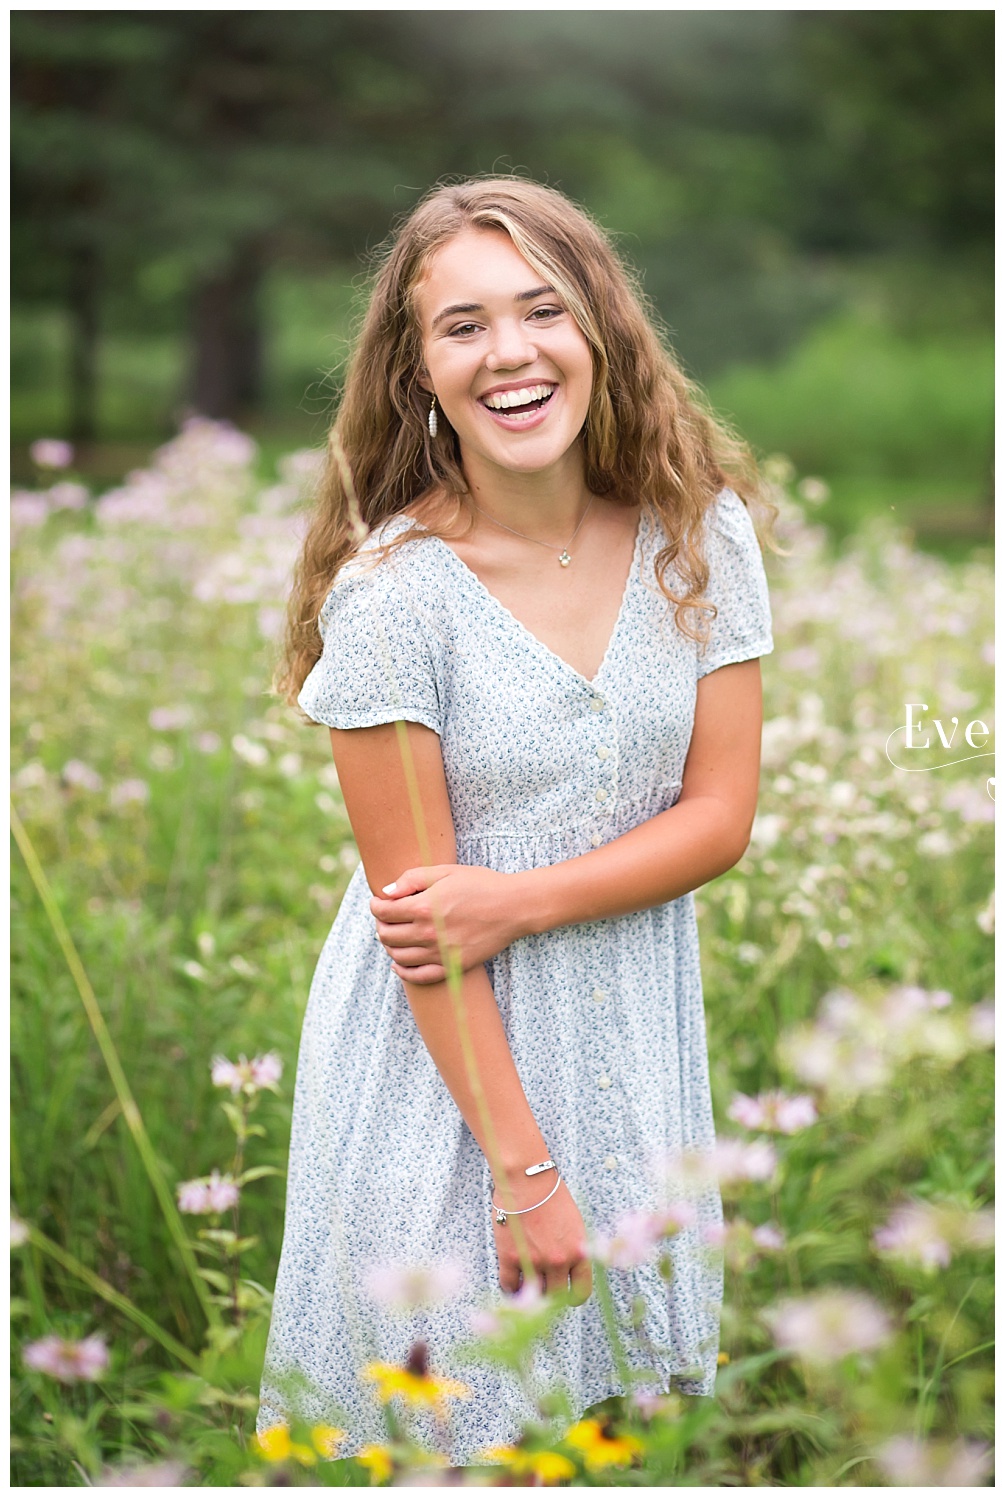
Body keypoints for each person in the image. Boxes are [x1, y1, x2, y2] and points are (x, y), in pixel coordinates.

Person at [260, 177, 774, 1464]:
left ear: (598, 327)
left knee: (613, 1430)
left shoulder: (697, 535)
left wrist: (527, 896)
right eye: (464, 326)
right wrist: (523, 1173)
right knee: (451, 1433)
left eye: (541, 310)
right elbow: (423, 925)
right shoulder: (393, 596)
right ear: (416, 373)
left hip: (630, 1044)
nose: (511, 353)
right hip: (449, 1079)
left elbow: (719, 817)